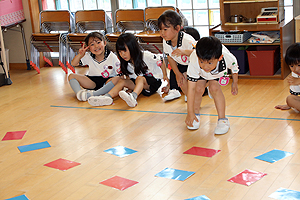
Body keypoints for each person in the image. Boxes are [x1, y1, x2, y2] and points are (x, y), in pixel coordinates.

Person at [87, 33, 167, 108]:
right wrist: (129, 88)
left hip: (152, 84)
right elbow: (129, 77)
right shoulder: (125, 62)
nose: (123, 55)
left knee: (140, 78)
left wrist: (165, 75)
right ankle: (107, 97)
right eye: (120, 52)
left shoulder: (145, 55)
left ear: (132, 48)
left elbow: (161, 60)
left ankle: (133, 97)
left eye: (125, 51)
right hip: (138, 85)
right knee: (122, 81)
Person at [185, 36, 239, 135]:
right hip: (201, 74)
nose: (205, 66)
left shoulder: (227, 57)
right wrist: (190, 112)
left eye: (209, 63)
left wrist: (234, 83)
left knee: (214, 88)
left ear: (220, 58)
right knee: (198, 88)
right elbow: (191, 89)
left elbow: (234, 68)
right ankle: (195, 114)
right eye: (202, 62)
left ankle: (222, 119)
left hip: (217, 74)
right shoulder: (194, 59)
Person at [68, 32, 120, 101]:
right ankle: (80, 94)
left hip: (107, 82)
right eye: (92, 44)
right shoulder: (88, 55)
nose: (96, 46)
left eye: (98, 42)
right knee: (71, 76)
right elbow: (73, 63)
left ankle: (94, 94)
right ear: (88, 48)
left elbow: (120, 73)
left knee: (118, 78)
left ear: (104, 43)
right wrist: (80, 55)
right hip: (92, 82)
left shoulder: (112, 56)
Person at [158, 10, 196, 101]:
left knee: (186, 77)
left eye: (165, 29)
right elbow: (170, 57)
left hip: (193, 65)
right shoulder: (165, 40)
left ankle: (194, 93)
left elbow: (198, 53)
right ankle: (176, 90)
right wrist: (177, 74)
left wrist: (184, 51)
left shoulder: (187, 40)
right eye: (160, 29)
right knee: (177, 75)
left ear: (177, 28)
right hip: (181, 64)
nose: (162, 33)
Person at [275, 43, 300, 112]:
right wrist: (290, 104)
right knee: (290, 99)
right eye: (291, 66)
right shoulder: (295, 74)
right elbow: (294, 93)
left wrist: (299, 81)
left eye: (299, 65)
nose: (296, 69)